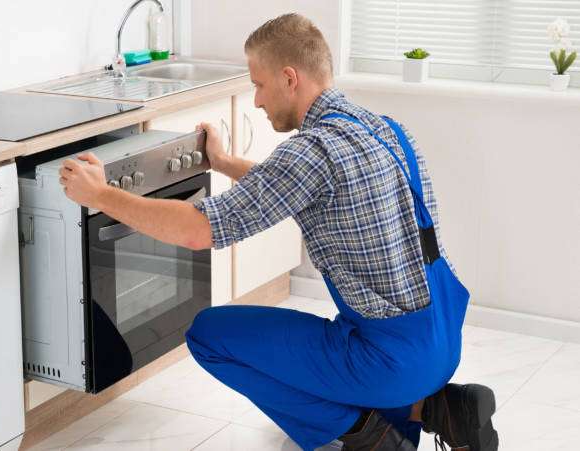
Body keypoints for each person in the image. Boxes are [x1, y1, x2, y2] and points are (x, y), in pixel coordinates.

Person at [58, 12, 499, 451]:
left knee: (210, 337)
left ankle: (373, 435)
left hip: (391, 359)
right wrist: (224, 162)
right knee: (330, 353)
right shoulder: (382, 129)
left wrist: (100, 196)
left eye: (259, 84)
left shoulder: (313, 151)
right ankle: (438, 408)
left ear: (290, 78)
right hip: (441, 337)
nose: (256, 101)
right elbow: (292, 189)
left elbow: (198, 230)